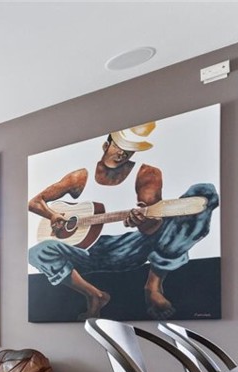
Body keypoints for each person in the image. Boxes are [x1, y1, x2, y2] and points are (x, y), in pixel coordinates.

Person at [28, 122, 218, 320]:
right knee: (36, 252)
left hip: (130, 245)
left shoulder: (147, 174)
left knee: (204, 191)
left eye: (129, 150)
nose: (122, 154)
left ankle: (153, 284)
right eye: (119, 147)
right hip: (85, 251)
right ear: (106, 145)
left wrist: (141, 222)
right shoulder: (79, 178)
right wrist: (52, 216)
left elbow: (154, 228)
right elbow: (34, 202)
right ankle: (94, 295)